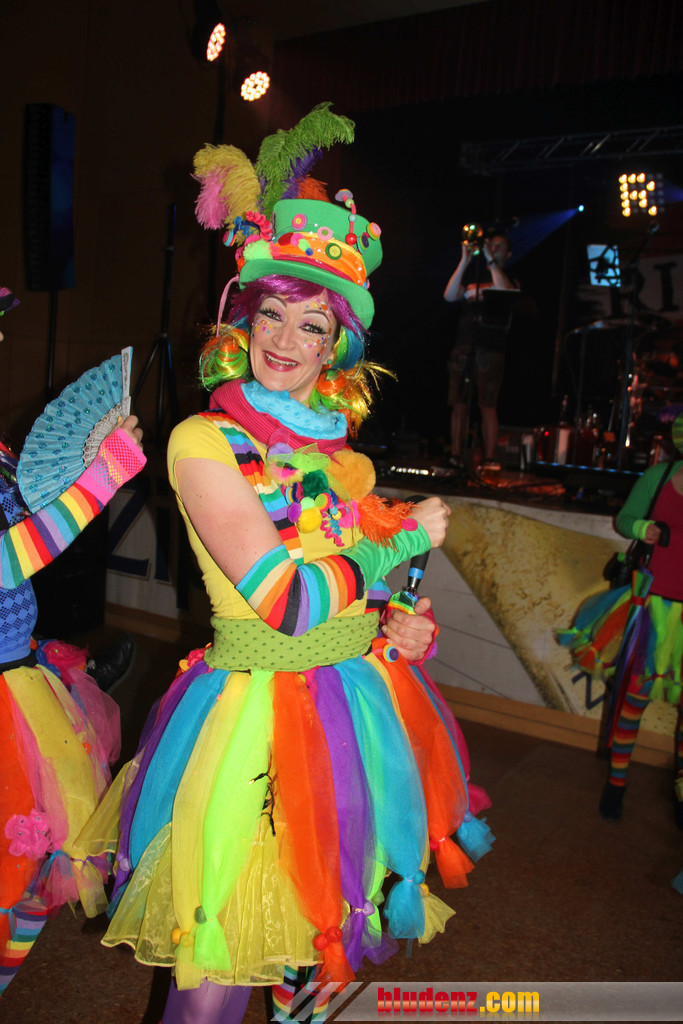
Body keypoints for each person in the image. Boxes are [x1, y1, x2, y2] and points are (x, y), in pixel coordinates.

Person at [78, 106, 493, 1024]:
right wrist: (400, 539)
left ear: (335, 347)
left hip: (353, 713)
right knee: (217, 974)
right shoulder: (202, 441)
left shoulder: (344, 462)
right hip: (251, 723)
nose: (285, 340)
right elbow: (292, 603)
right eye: (272, 313)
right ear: (244, 319)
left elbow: (357, 594)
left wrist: (397, 623)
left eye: (312, 326)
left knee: (315, 948)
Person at [0, 287, 146, 994]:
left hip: (18, 680)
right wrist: (103, 476)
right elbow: (7, 560)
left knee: (40, 869)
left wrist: (88, 467)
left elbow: (29, 518)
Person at [559, 412, 683, 823]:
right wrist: (644, 527)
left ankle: (681, 792)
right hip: (651, 607)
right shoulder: (659, 477)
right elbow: (625, 520)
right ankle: (616, 783)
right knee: (633, 699)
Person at [443, 233, 518, 474]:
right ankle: (455, 455)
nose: (493, 248)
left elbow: (505, 291)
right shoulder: (473, 278)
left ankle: (490, 458)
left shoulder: (508, 278)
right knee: (458, 403)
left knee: (487, 404)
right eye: (491, 245)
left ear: (508, 254)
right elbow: (449, 295)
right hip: (464, 345)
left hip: (491, 349)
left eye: (499, 247)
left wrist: (490, 259)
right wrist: (464, 261)